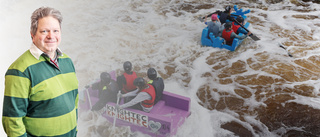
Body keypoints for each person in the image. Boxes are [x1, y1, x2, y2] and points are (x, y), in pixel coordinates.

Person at [2, 7, 78, 137]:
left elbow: (74, 101)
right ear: (32, 34)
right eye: (44, 31)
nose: (51, 36)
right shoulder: (20, 70)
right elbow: (12, 121)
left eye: (55, 31)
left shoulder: (67, 61)